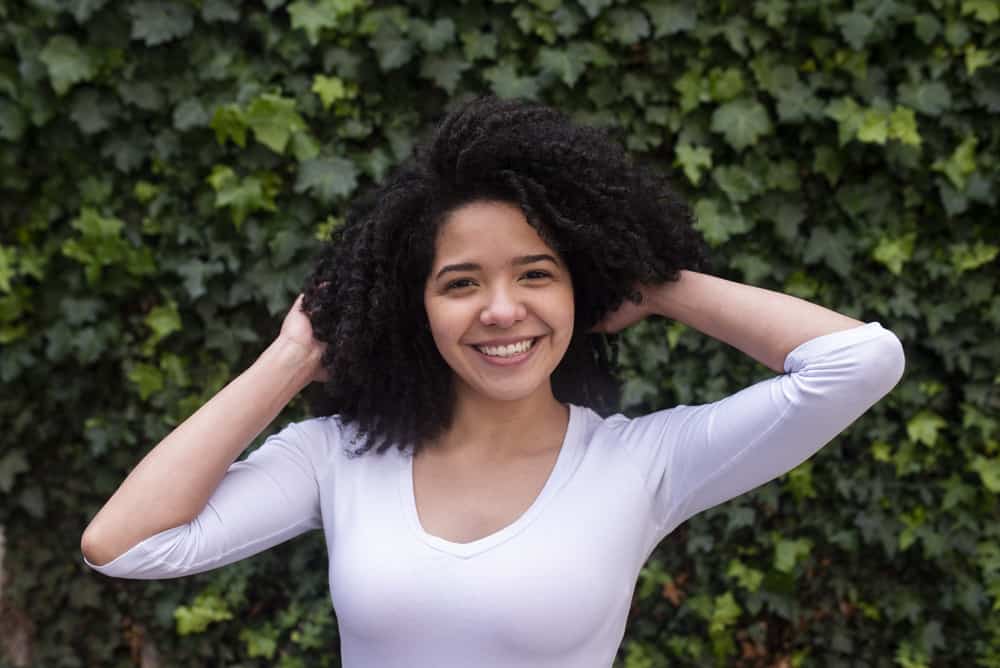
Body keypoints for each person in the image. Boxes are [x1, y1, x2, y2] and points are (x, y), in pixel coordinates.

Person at [81, 96, 905, 667]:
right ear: (420, 305)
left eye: (538, 274)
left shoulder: (641, 463)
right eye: (462, 282)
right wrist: (295, 355)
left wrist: (652, 282)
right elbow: (125, 545)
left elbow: (859, 362)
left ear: (582, 288)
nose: (502, 310)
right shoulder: (336, 457)